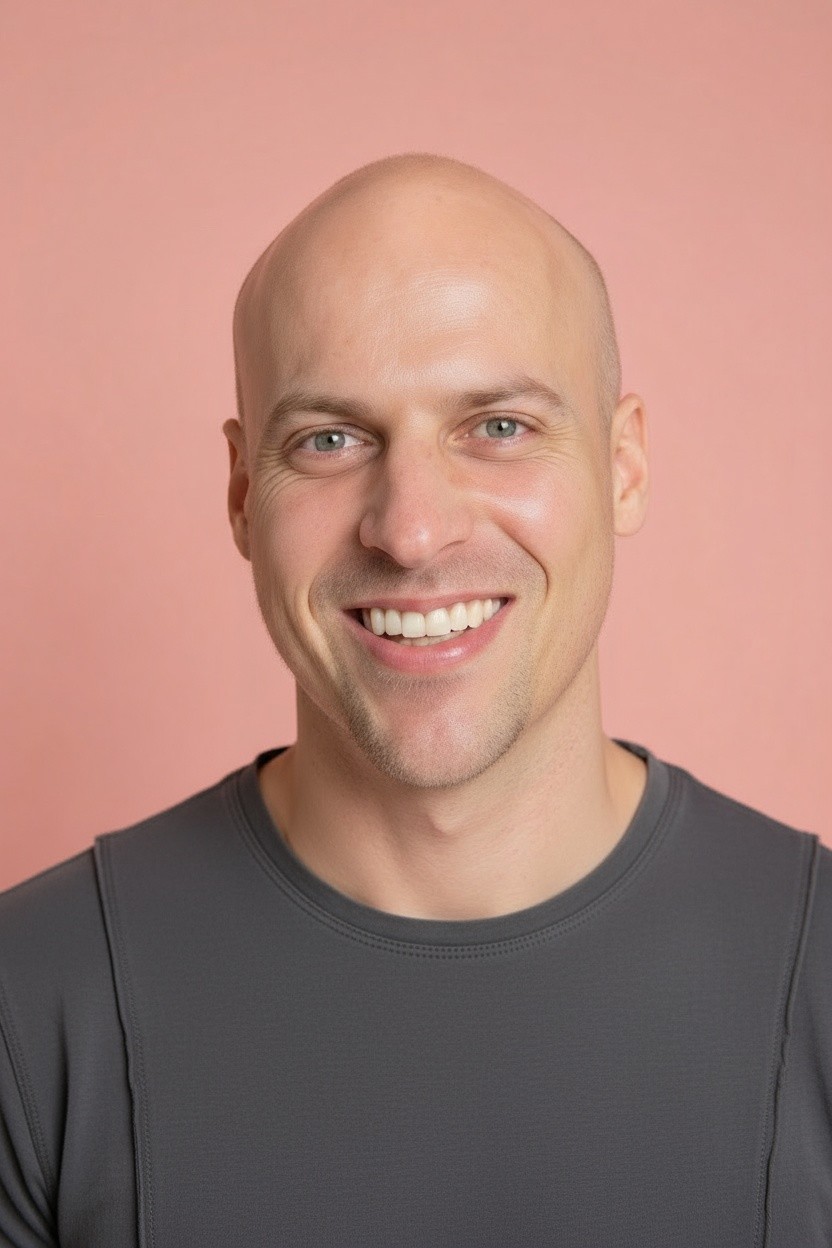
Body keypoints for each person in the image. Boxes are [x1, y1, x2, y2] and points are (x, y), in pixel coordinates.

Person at [0, 154, 829, 1247]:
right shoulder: (29, 1004)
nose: (412, 529)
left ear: (624, 465)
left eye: (498, 426)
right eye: (330, 440)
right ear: (242, 494)